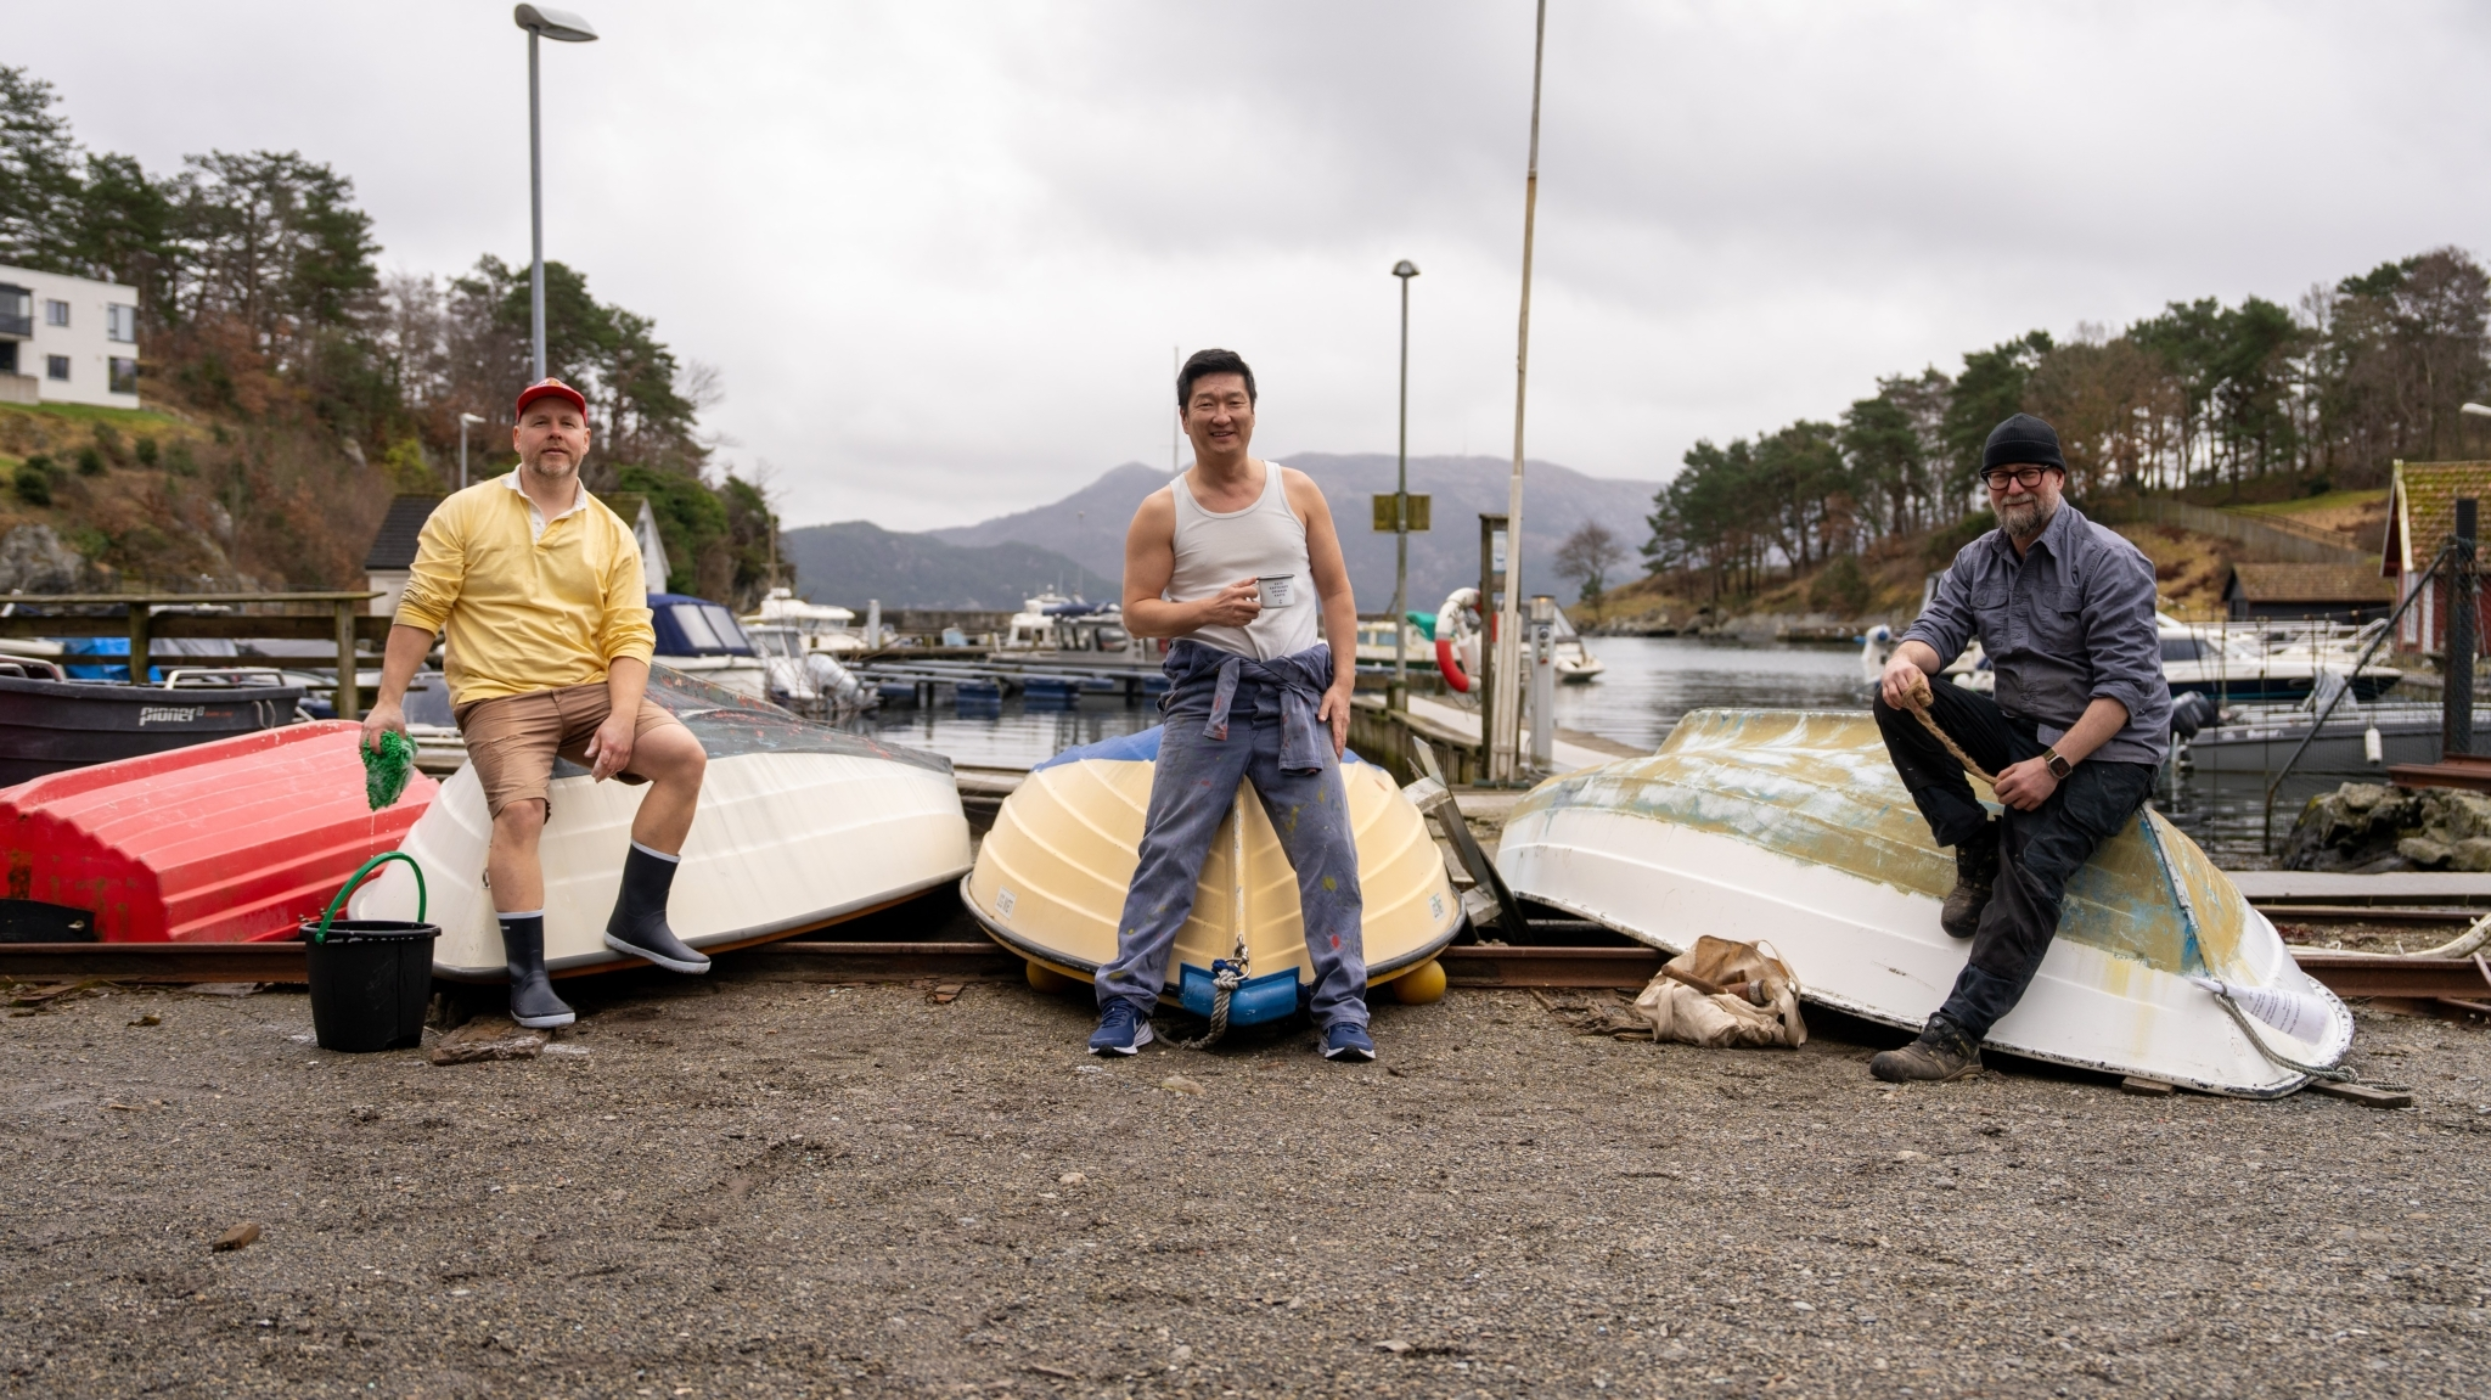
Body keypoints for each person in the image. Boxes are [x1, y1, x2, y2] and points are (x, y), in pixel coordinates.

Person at [363, 378, 712, 1029]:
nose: (555, 432)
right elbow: (421, 610)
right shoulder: (463, 512)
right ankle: (529, 977)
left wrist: (620, 714)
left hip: (589, 693)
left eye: (566, 423)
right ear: (517, 436)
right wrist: (387, 703)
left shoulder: (611, 532)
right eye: (540, 421)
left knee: (685, 757)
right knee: (522, 812)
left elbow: (631, 634)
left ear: (584, 439)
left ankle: (639, 919)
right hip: (500, 696)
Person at [1089, 348, 1372, 1061]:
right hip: (1203, 702)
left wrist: (1342, 685)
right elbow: (1137, 614)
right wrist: (1206, 608)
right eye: (1206, 404)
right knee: (1168, 852)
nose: (1222, 416)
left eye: (1234, 402)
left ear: (1251, 409)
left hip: (1292, 698)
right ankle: (1125, 1005)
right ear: (1184, 418)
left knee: (1329, 854)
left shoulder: (1297, 491)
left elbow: (1335, 594)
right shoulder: (1162, 510)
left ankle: (1342, 1012)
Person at [1869, 413, 2169, 1082]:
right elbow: (1937, 628)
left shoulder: (2109, 561)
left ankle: (1955, 1036)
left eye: (2026, 473)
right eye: (1998, 477)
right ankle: (1974, 847)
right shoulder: (1978, 559)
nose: (2012, 487)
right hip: (2022, 729)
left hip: (2109, 752)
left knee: (2032, 861)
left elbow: (2123, 693)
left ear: (2057, 478)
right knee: (1895, 701)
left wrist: (2052, 767)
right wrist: (1906, 663)